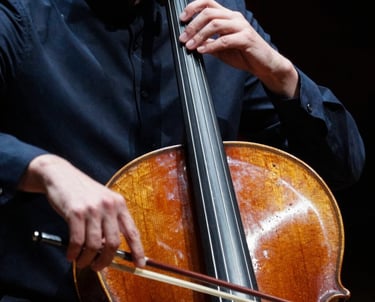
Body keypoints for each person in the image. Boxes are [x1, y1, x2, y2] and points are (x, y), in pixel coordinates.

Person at [0, 0, 365, 301]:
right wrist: (41, 167)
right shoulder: (23, 15)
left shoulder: (216, 21)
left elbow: (342, 166)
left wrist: (282, 75)